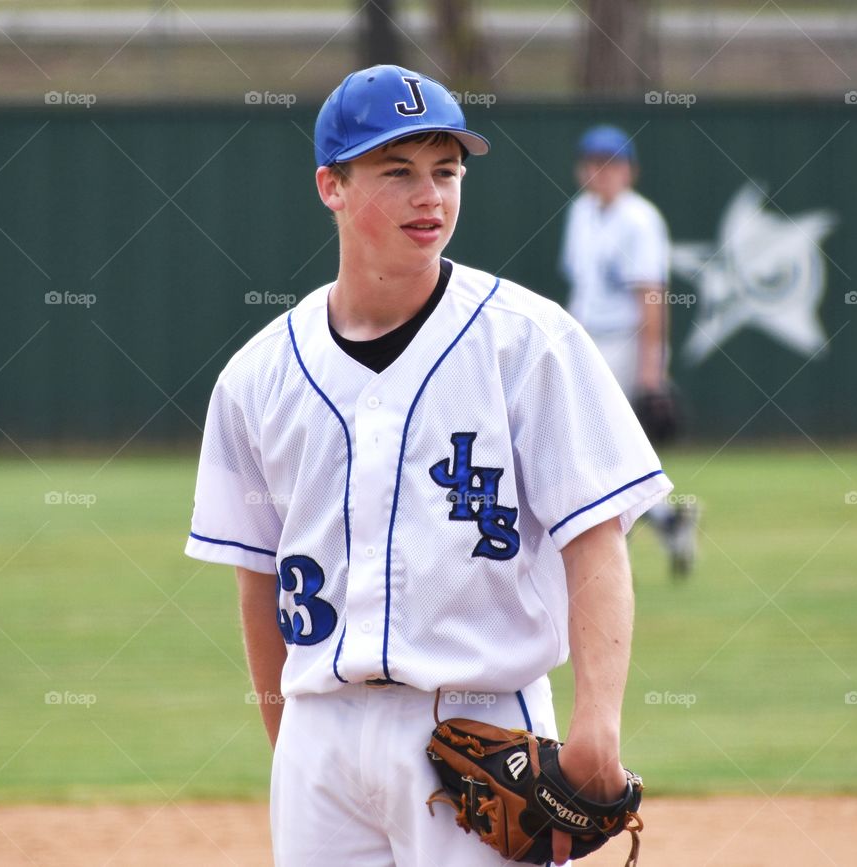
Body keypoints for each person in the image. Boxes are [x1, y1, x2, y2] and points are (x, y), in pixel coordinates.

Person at [186, 66, 672, 867]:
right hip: (319, 733)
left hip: (480, 723)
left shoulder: (529, 342)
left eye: (447, 170)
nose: (431, 196)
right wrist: (292, 745)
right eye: (398, 171)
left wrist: (597, 727)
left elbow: (596, 540)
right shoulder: (257, 374)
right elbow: (257, 579)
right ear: (330, 186)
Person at [560, 125, 699, 577]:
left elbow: (652, 296)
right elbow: (580, 285)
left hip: (623, 342)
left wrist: (652, 371)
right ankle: (667, 521)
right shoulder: (581, 212)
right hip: (584, 339)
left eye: (611, 163)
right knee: (593, 449)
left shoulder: (641, 219)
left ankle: (622, 531)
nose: (601, 172)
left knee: (598, 447)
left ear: (630, 171)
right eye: (593, 162)